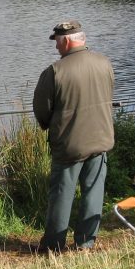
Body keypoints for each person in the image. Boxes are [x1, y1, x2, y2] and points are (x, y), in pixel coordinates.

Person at [32, 20, 115, 252]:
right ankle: (86, 243)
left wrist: (48, 124)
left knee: (61, 194)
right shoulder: (104, 63)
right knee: (94, 192)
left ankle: (53, 246)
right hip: (101, 141)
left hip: (69, 146)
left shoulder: (55, 71)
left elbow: (41, 108)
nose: (56, 48)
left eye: (57, 43)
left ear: (67, 41)